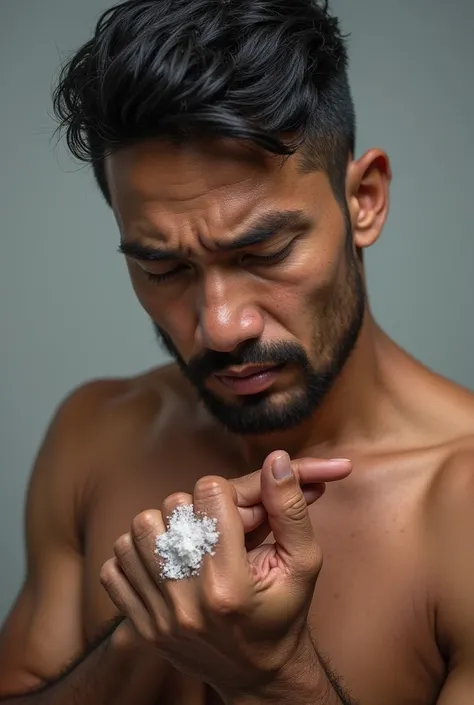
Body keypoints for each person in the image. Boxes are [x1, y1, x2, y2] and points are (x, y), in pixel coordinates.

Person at [1, 0, 473, 703]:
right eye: (164, 269)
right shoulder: (95, 436)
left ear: (364, 200)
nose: (221, 326)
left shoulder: (461, 505)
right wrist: (145, 633)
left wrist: (271, 676)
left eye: (264, 250)